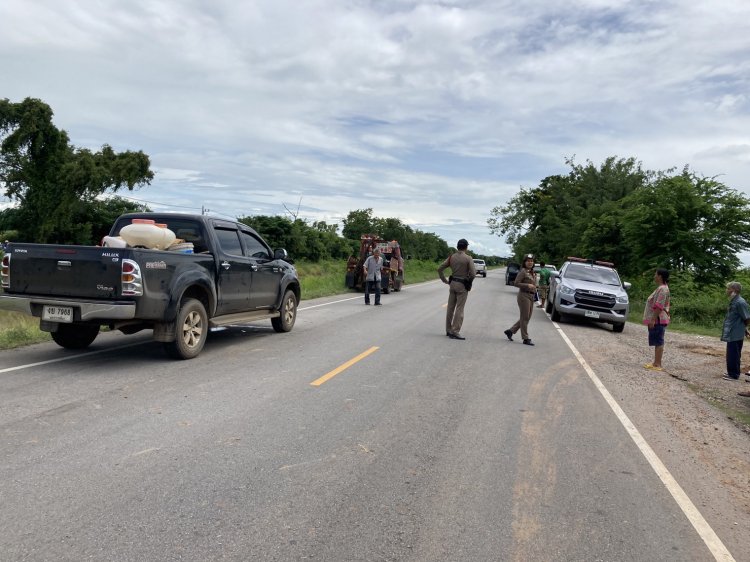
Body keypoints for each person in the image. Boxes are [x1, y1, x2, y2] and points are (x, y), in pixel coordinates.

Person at [437, 238, 476, 340]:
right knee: (460, 308)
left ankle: (448, 330)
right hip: (462, 285)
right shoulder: (468, 258)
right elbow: (473, 274)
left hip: (452, 284)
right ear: (466, 247)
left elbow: (440, 268)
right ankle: (455, 331)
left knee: (450, 308)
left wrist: (444, 280)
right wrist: (469, 282)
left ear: (457, 246)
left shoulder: (451, 257)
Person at [504, 254, 537, 345]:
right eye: (528, 261)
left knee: (527, 317)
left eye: (531, 261)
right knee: (525, 317)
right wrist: (527, 285)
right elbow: (516, 283)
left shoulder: (532, 272)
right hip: (523, 296)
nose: (530, 262)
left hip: (531, 296)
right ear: (525, 262)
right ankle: (525, 338)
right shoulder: (523, 271)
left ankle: (510, 331)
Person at [720, 281, 750, 381]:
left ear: (734, 290)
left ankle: (734, 374)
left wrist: (744, 328)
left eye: (729, 288)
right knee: (731, 353)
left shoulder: (740, 302)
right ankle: (731, 371)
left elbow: (746, 317)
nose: (727, 290)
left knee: (734, 353)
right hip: (732, 332)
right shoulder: (734, 301)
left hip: (736, 332)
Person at [642, 268, 671, 371]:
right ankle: (655, 363)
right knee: (657, 340)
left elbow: (659, 306)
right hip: (657, 318)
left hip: (658, 319)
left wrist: (653, 320)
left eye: (655, 274)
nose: (654, 276)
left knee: (659, 341)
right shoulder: (661, 288)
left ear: (660, 276)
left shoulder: (663, 289)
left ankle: (658, 365)